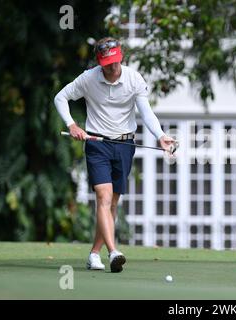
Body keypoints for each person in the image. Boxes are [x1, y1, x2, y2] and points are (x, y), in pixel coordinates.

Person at [54, 37, 175, 273]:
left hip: (124, 145)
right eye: (108, 63)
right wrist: (71, 125)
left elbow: (146, 112)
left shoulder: (133, 79)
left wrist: (160, 135)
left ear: (122, 57)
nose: (113, 67)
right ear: (100, 62)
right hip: (97, 143)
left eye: (116, 62)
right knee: (103, 196)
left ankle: (93, 254)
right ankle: (114, 252)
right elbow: (60, 98)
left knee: (111, 204)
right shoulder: (89, 78)